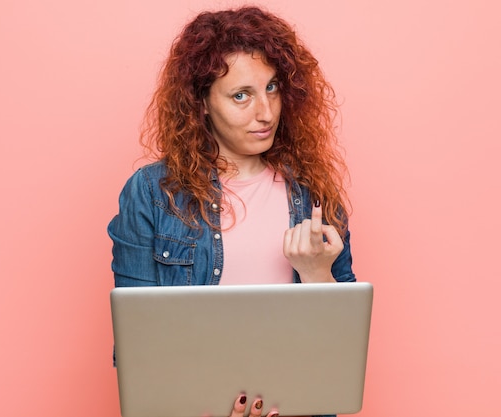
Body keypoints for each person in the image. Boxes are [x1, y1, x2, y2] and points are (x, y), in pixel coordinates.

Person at [108, 6, 355, 417]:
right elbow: (138, 347)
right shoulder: (153, 194)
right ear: (201, 103)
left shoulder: (311, 192)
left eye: (272, 88)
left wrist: (315, 273)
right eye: (241, 95)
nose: (266, 112)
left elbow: (342, 353)